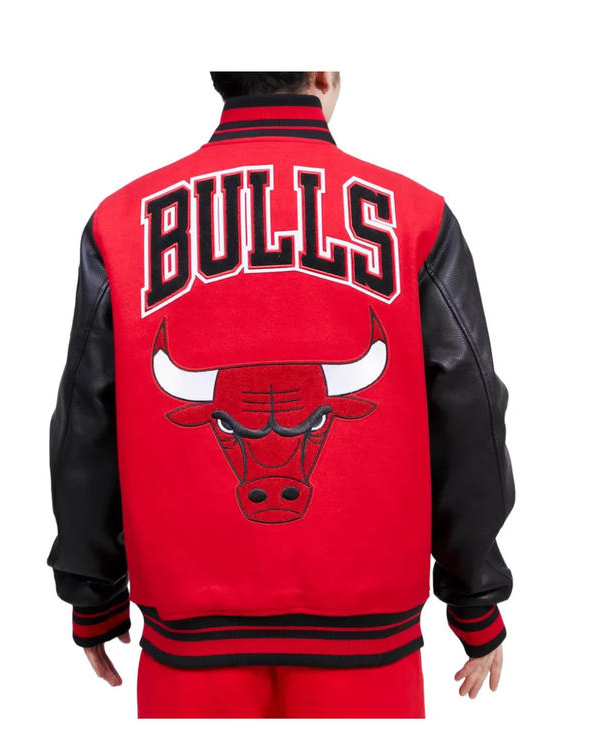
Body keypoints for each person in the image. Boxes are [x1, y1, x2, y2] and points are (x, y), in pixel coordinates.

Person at [47, 71, 515, 718]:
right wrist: (475, 596)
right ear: (324, 74)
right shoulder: (417, 217)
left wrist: (92, 591)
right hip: (367, 644)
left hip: (189, 645)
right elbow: (470, 412)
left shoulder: (122, 222)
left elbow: (85, 419)